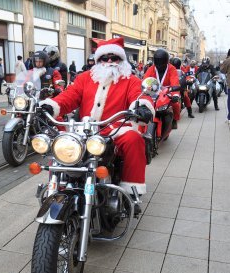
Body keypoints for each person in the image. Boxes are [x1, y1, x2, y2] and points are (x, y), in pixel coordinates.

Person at [40, 37, 154, 212]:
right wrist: (51, 105)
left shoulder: (131, 80)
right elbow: (69, 96)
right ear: (98, 60)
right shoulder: (85, 78)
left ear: (121, 60)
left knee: (134, 138)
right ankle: (56, 187)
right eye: (104, 58)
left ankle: (131, 192)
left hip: (116, 128)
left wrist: (142, 107)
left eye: (113, 58)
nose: (109, 61)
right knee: (59, 143)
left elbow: (139, 97)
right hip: (85, 130)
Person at [144, 48, 181, 129]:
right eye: (157, 62)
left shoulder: (172, 68)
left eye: (162, 62)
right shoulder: (152, 68)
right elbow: (146, 79)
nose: (160, 65)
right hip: (154, 91)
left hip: (168, 91)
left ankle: (175, 120)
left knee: (175, 104)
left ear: (166, 61)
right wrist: (144, 88)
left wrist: (175, 95)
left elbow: (175, 81)